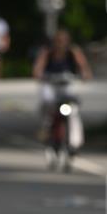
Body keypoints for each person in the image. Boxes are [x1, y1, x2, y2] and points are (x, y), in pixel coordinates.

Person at [32, 28, 93, 165]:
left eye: (63, 41)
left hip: (67, 85)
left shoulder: (73, 52)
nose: (61, 44)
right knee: (47, 102)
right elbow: (38, 69)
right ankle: (46, 128)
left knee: (74, 111)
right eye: (58, 41)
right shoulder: (47, 52)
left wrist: (85, 75)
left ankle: (75, 142)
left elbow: (84, 67)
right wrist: (40, 75)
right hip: (51, 84)